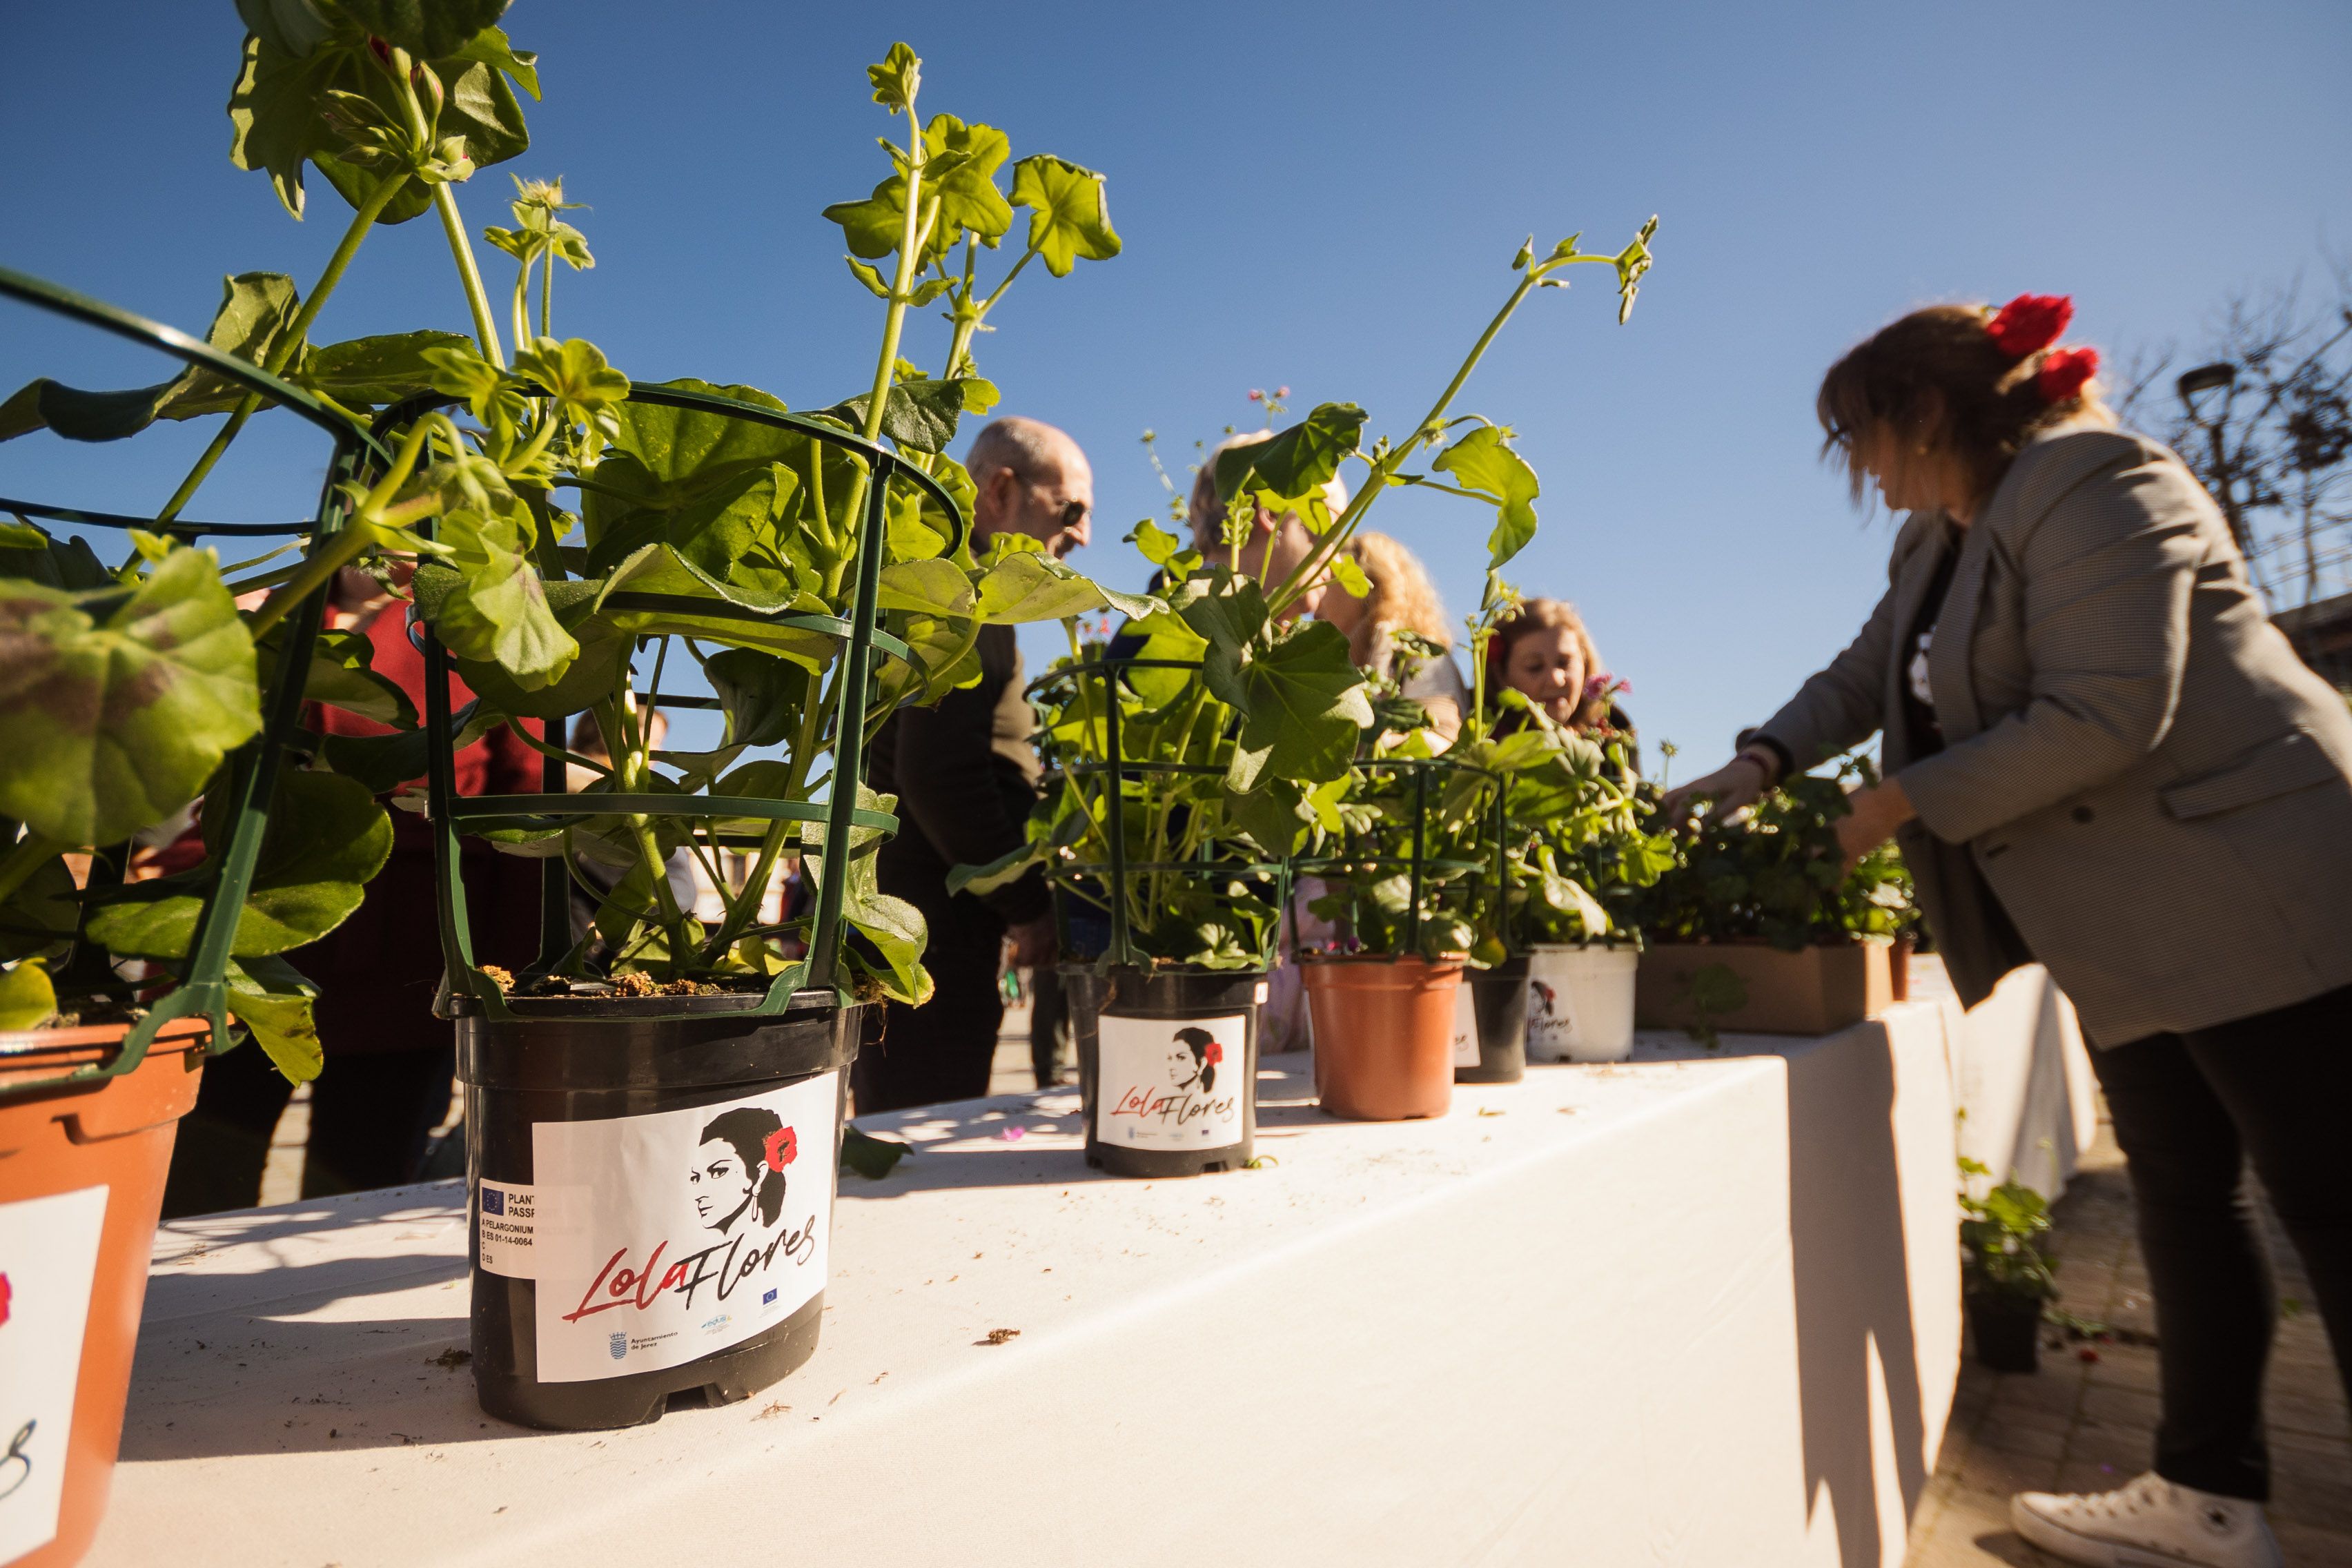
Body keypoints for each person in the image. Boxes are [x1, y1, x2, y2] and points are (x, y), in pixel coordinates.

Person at [1662, 295, 2352, 1568]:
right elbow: (1866, 672)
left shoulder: (2095, 478)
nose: (1859, 468)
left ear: (1925, 410)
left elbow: (2105, 711)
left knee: (2328, 1196)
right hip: (2131, 923)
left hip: (2257, 880)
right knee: (2182, 1197)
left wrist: (1890, 806)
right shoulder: (1938, 533)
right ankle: (2207, 1499)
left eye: (1861, 436)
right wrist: (1758, 762)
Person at [161, 565, 545, 1215]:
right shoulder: (274, 611)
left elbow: (530, 813)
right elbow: (213, 777)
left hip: (406, 954)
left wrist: (510, 982)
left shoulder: (476, 631)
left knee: (355, 1177)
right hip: (253, 932)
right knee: (201, 1164)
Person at [859, 415, 1090, 1113]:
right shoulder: (962, 599)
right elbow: (939, 775)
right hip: (935, 933)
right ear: (1000, 489)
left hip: (925, 921)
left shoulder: (954, 589)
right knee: (920, 1131)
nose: (1082, 534)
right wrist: (1026, 905)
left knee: (906, 1117)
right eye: (1071, 507)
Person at [1315, 531, 1469, 741]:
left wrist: (1378, 744)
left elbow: (1440, 740)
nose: (1314, 598)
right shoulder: (1330, 669)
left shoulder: (1419, 658)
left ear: (1371, 582)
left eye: (1327, 581)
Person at [1486, 597, 1636, 756]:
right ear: (1500, 675)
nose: (1556, 680)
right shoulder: (1486, 746)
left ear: (1585, 664)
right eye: (1535, 667)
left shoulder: (1614, 734)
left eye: (1564, 663)